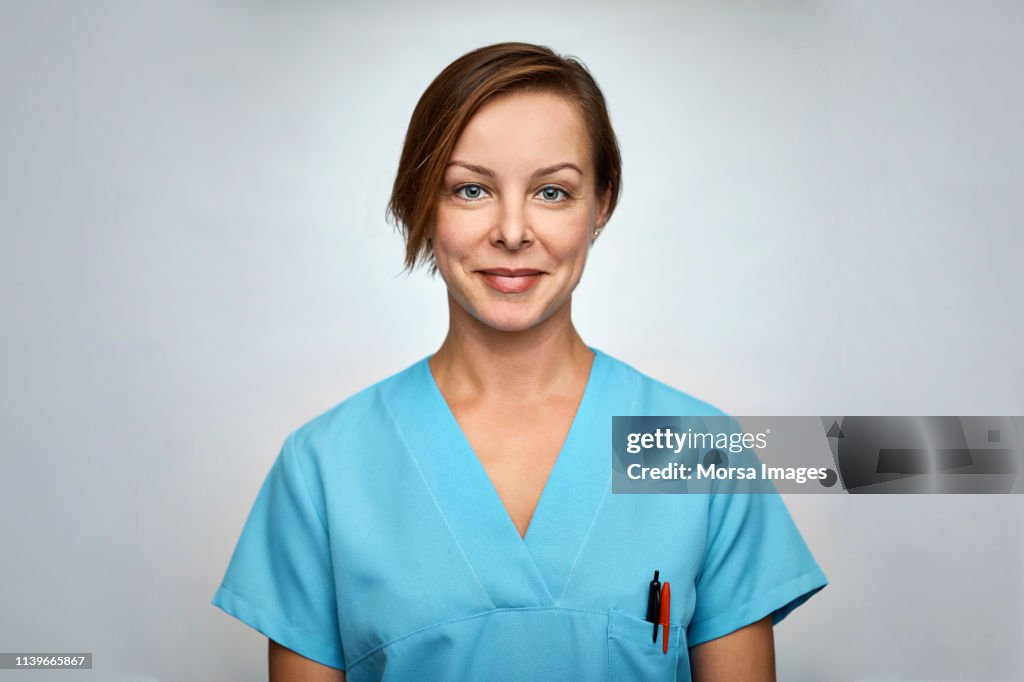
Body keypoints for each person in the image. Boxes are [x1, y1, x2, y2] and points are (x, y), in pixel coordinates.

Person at [211, 42, 828, 681]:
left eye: (553, 192)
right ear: (425, 207)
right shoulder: (324, 469)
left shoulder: (701, 452)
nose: (512, 231)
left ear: (601, 206)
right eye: (471, 189)